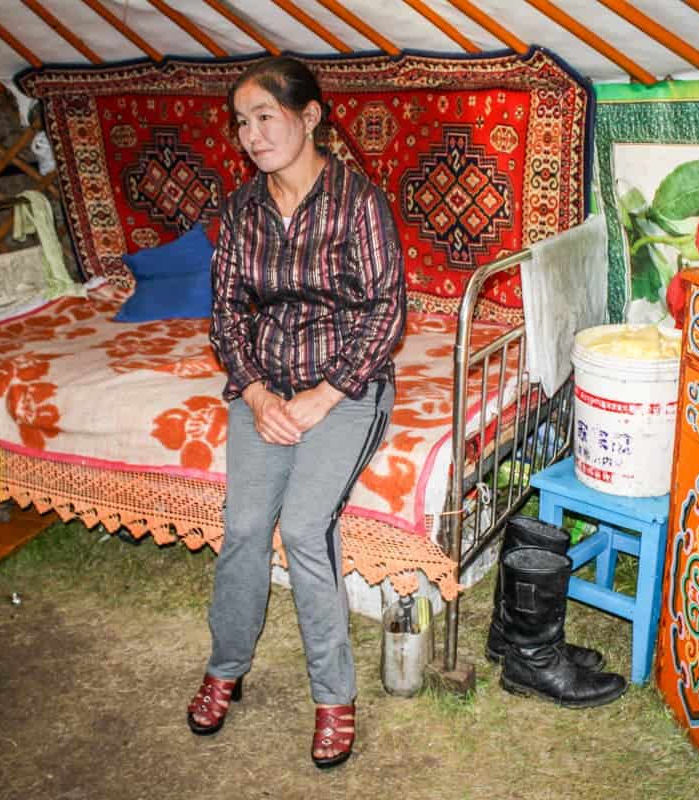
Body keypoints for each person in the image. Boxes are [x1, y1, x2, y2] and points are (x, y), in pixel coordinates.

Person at [189, 56, 406, 771]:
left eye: (266, 117)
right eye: (241, 123)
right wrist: (254, 393)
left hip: (347, 386)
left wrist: (323, 396)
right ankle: (227, 667)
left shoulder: (357, 201)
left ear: (310, 116)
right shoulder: (242, 209)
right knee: (245, 526)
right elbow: (225, 314)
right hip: (267, 388)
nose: (251, 135)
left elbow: (386, 312)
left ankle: (333, 698)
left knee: (306, 527)